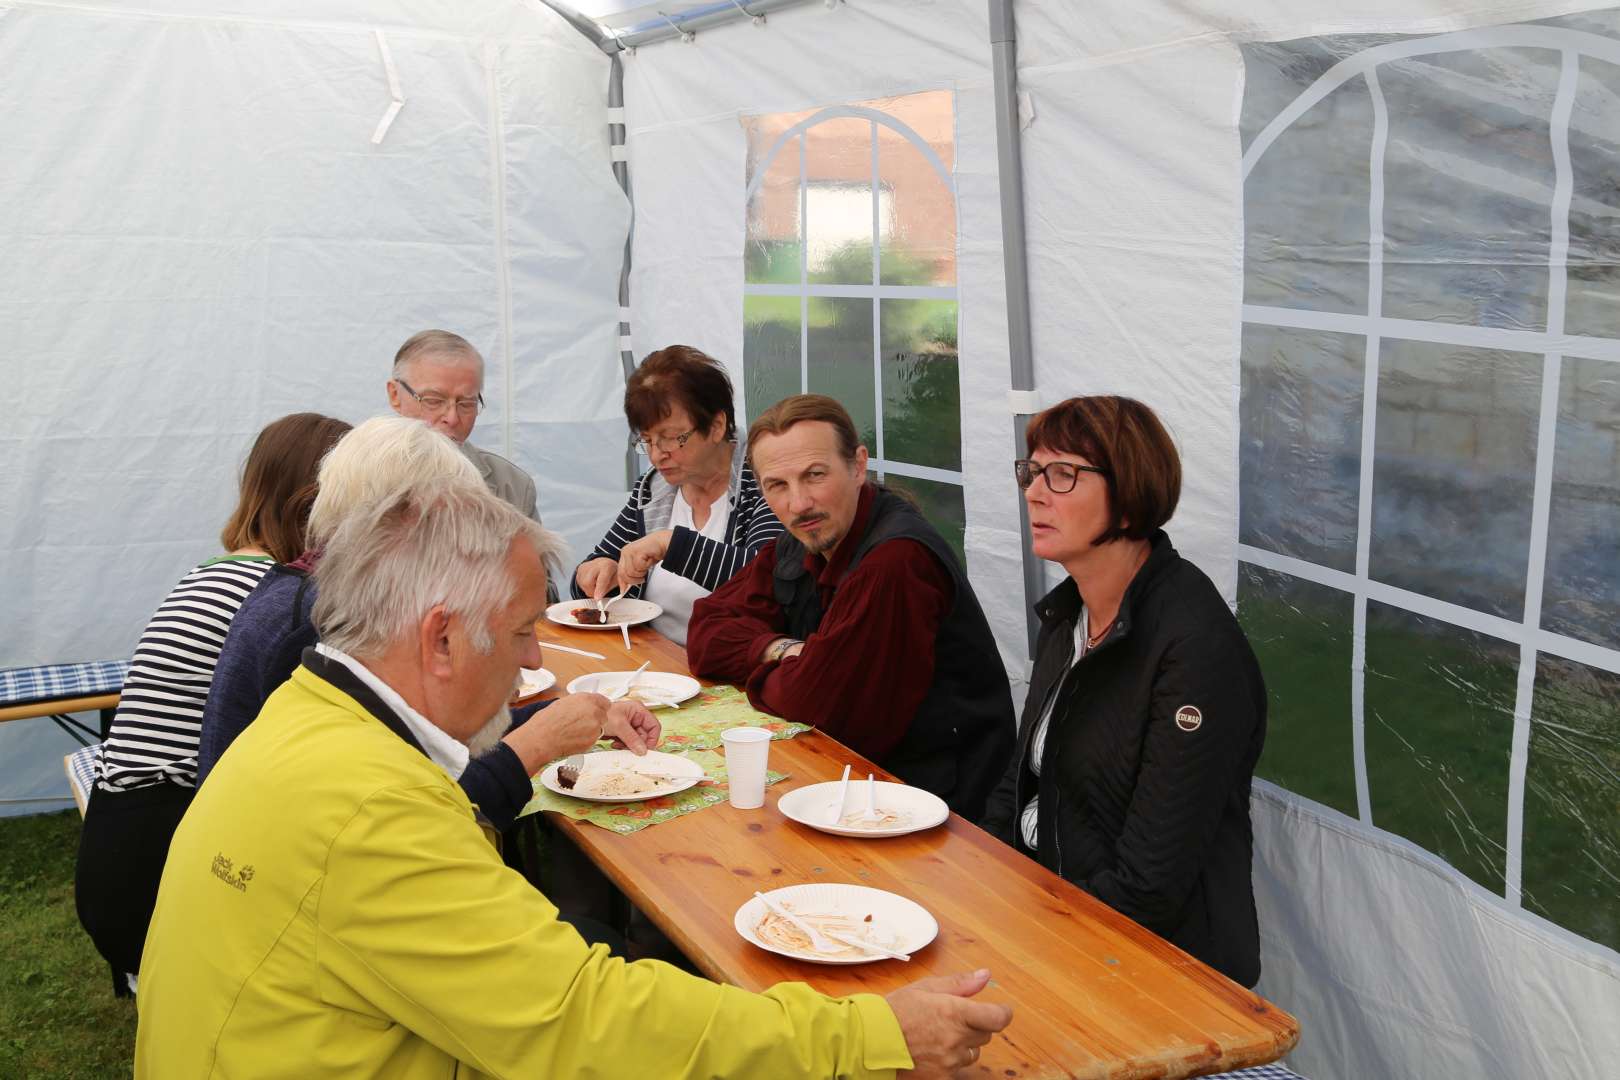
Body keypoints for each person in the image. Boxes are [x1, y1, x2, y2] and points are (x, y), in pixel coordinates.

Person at [135, 475, 1012, 1079]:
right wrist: (869, 1036)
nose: (532, 664)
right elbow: (582, 1023)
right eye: (524, 633)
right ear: (440, 638)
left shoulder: (307, 715)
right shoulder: (371, 808)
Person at [193, 417, 637, 841]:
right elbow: (426, 807)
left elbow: (421, 740)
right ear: (398, 525)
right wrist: (535, 744)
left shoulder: (314, 594)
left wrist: (554, 719)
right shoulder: (319, 621)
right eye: (453, 524)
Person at [980, 396, 1267, 988]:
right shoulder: (1072, 613)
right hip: (1052, 914)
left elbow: (1149, 886)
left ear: (1132, 493)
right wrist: (982, 880)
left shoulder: (1195, 649)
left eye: (1063, 474)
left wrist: (1031, 940)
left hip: (1153, 970)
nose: (1034, 493)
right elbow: (1020, 780)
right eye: (1032, 472)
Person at [74, 412, 351, 994]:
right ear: (317, 500)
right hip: (165, 873)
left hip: (116, 850)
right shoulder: (279, 599)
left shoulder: (212, 574)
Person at [686, 394, 1014, 819]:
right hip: (845, 786)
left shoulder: (894, 562)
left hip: (935, 815)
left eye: (814, 475)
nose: (798, 503)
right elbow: (706, 634)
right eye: (777, 485)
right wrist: (782, 650)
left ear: (858, 466)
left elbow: (815, 705)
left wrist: (785, 672)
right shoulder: (803, 538)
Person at [572, 344, 783, 645]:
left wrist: (672, 545)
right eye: (647, 440)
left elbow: (770, 580)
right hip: (655, 658)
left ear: (717, 425)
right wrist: (596, 573)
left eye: (671, 438)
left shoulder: (765, 480)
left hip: (736, 663)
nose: (657, 455)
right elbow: (598, 565)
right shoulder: (654, 489)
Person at [386, 328, 540, 522]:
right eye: (433, 401)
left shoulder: (512, 487)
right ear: (395, 395)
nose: (452, 418)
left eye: (466, 403)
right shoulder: (358, 476)